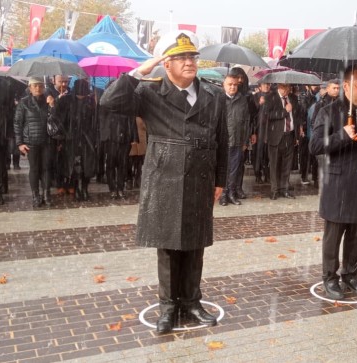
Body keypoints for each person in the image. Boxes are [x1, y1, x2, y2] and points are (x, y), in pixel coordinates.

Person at [100, 31, 228, 334]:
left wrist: (220, 180)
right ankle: (168, 307)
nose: (189, 62)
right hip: (165, 178)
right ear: (166, 64)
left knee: (195, 246)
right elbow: (109, 101)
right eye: (181, 57)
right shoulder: (149, 92)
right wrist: (140, 70)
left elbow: (223, 140)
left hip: (200, 178)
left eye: (192, 57)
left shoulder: (214, 95)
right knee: (169, 247)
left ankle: (192, 303)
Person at [309, 65, 357, 300]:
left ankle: (351, 275)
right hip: (339, 184)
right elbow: (315, 146)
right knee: (334, 234)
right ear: (346, 86)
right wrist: (342, 135)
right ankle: (330, 278)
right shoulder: (329, 111)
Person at [49, 79, 98, 201]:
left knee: (86, 165)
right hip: (71, 139)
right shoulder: (66, 100)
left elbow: (96, 121)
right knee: (74, 165)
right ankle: (76, 188)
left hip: (87, 139)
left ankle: (84, 188)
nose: (81, 97)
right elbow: (58, 119)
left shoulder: (91, 102)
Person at [14, 77, 55, 207]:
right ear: (30, 88)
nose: (38, 88)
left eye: (40, 85)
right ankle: (35, 195)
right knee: (34, 169)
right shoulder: (24, 102)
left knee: (47, 168)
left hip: (46, 140)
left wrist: (53, 106)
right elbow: (17, 123)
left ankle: (46, 194)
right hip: (30, 141)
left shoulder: (49, 100)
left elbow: (55, 121)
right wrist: (20, 143)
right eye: (35, 86)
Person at [264, 83, 302, 200]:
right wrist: (284, 111)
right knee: (275, 164)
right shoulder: (270, 97)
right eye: (285, 87)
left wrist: (297, 135)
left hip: (289, 135)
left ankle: (284, 189)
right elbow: (267, 115)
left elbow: (297, 116)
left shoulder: (293, 98)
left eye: (289, 87)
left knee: (287, 164)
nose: (287, 90)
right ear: (280, 86)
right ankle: (274, 190)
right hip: (275, 136)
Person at [220, 73, 251, 206]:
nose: (232, 87)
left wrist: (245, 141)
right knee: (222, 169)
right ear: (224, 85)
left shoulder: (242, 100)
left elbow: (246, 121)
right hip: (223, 142)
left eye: (235, 85)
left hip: (238, 142)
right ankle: (222, 194)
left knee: (234, 169)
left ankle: (231, 193)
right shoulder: (219, 99)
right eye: (230, 84)